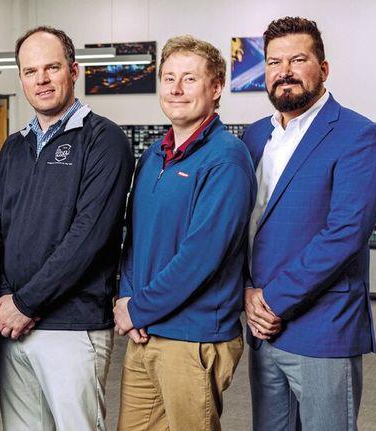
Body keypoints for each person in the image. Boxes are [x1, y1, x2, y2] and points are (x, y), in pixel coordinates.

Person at [0, 26, 134, 430]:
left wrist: (25, 304)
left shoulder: (105, 141)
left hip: (73, 326)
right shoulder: (14, 148)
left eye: (52, 67)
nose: (42, 79)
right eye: (31, 71)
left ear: (74, 70)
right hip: (13, 327)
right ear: (21, 79)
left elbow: (89, 237)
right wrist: (3, 297)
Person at [243, 16, 376, 431]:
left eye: (297, 59)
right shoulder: (252, 137)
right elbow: (241, 227)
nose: (283, 71)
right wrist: (247, 293)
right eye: (272, 62)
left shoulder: (358, 135)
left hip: (323, 328)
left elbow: (343, 235)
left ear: (323, 69)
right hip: (262, 328)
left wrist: (272, 302)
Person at [114, 35, 255, 430]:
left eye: (189, 79)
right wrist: (127, 297)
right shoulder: (153, 155)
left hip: (193, 338)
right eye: (169, 77)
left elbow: (200, 258)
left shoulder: (226, 158)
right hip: (145, 332)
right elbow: (134, 239)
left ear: (215, 88)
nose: (176, 89)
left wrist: (137, 309)